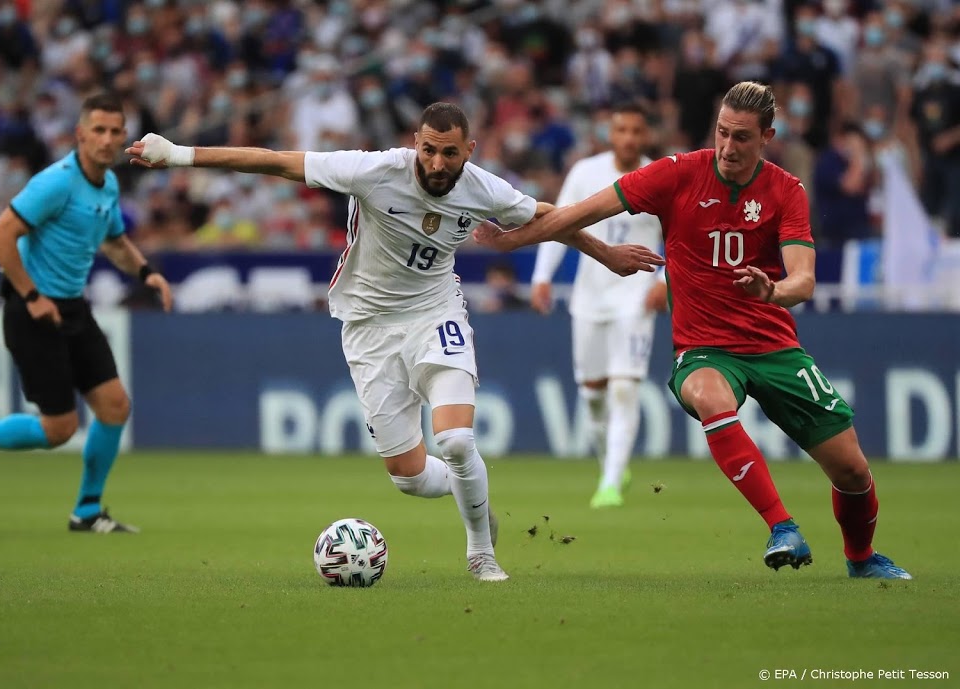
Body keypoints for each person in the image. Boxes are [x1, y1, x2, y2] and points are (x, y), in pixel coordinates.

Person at [126, 102, 663, 581]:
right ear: (415, 143)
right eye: (427, 150)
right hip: (368, 327)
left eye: (449, 153)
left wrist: (608, 254)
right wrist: (178, 154)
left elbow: (553, 217)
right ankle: (471, 494)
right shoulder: (374, 170)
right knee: (409, 478)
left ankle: (482, 551)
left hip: (436, 313)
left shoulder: (484, 187)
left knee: (454, 441)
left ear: (468, 150)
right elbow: (274, 160)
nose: (435, 163)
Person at [475, 82, 911, 580]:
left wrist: (773, 292)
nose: (728, 147)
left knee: (852, 470)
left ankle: (861, 559)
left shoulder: (786, 190)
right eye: (723, 133)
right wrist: (515, 242)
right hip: (704, 349)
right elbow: (581, 212)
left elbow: (804, 280)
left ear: (767, 136)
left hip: (775, 347)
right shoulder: (678, 173)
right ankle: (781, 526)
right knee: (708, 395)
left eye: (742, 138)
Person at [0, 93, 173, 534]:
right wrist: (30, 297)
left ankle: (86, 512)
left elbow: (115, 243)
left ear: (124, 136)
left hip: (71, 308)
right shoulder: (56, 183)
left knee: (115, 406)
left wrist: (147, 273)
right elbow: (0, 236)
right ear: (79, 134)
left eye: (114, 131)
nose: (106, 139)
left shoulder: (108, 185)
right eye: (97, 130)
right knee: (58, 428)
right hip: (32, 310)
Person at [530, 102, 666, 509]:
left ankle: (608, 484)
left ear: (646, 136)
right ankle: (612, 463)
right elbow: (558, 223)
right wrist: (542, 276)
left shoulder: (661, 178)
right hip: (589, 298)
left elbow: (681, 238)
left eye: (636, 131)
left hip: (636, 298)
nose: (628, 137)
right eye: (621, 129)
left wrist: (664, 281)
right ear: (610, 133)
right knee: (592, 394)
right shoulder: (586, 173)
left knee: (624, 387)